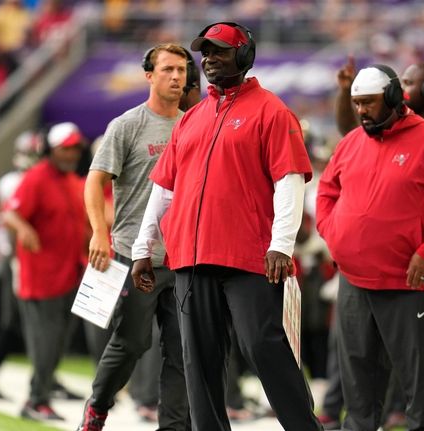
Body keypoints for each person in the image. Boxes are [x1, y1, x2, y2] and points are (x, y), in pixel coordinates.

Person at [132, 22, 321, 430]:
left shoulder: (272, 110)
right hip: (190, 257)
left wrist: (281, 245)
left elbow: (289, 180)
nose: (210, 59)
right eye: (206, 52)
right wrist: (142, 249)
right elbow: (164, 190)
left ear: (245, 56)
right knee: (198, 358)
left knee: (263, 347)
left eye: (220, 51)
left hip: (249, 255)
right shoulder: (192, 118)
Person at [316, 64, 424, 430]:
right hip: (353, 281)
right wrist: (333, 233)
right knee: (357, 378)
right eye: (357, 103)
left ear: (394, 98)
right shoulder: (350, 142)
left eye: (369, 102)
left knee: (420, 379)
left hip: (406, 283)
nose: (361, 111)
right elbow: (327, 191)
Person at [77, 43, 194, 431]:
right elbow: (95, 182)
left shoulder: (193, 124)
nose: (177, 77)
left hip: (182, 259)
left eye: (182, 70)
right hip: (133, 254)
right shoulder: (127, 125)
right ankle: (97, 408)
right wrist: (99, 232)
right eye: (168, 70)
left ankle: (173, 426)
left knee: (182, 351)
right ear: (149, 75)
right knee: (131, 344)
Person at [1, 121, 87, 421]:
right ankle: (36, 400)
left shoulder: (73, 181)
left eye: (75, 148)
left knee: (59, 341)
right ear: (50, 150)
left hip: (69, 274)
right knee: (46, 341)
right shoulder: (37, 177)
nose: (71, 154)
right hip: (41, 276)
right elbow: (10, 213)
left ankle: (41, 395)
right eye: (66, 148)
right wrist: (25, 229)